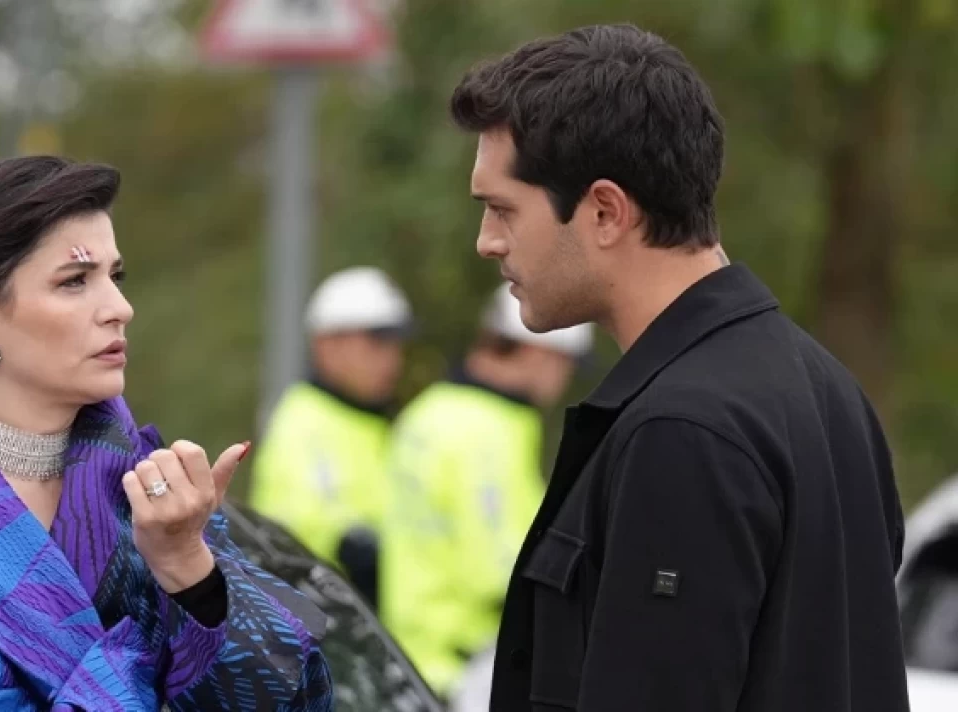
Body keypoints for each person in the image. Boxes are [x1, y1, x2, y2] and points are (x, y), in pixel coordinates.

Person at [449, 23, 909, 712]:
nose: (487, 242)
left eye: (502, 210)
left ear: (605, 211)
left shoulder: (683, 431)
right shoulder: (825, 387)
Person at [0, 156, 333, 711]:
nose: (120, 308)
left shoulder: (143, 483)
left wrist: (189, 567)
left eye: (115, 277)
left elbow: (297, 699)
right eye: (74, 281)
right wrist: (146, 661)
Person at [380, 283, 591, 698]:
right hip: (468, 673)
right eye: (565, 364)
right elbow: (501, 569)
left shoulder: (428, 410)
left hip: (411, 661)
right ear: (538, 353)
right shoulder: (488, 433)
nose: (563, 380)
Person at [248, 266, 412, 607]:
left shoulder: (371, 421)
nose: (392, 358)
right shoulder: (303, 422)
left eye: (395, 344)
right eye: (376, 342)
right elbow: (311, 530)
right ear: (327, 344)